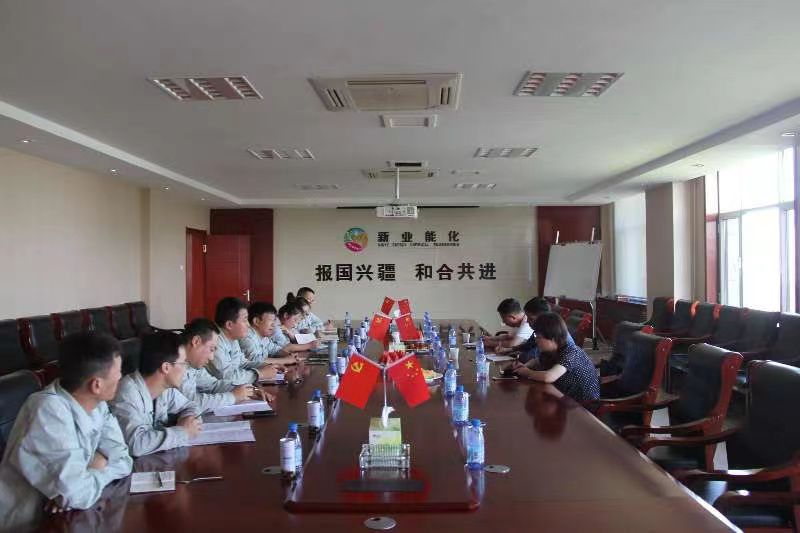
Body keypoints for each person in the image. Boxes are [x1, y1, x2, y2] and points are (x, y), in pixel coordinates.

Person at [0, 332, 132, 531]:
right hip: (28, 526)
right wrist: (93, 471)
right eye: (118, 373)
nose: (121, 377)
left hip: (67, 518)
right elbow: (79, 495)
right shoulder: (47, 410)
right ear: (96, 384)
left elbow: (124, 460)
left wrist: (95, 470)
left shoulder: (98, 404)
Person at [110, 331, 202, 457]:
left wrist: (187, 419)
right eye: (184, 363)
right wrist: (182, 432)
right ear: (166, 367)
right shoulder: (127, 392)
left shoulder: (166, 389)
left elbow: (191, 406)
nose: (186, 370)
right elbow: (136, 445)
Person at [180, 318, 269, 414]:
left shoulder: (192, 363)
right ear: (196, 341)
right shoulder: (175, 364)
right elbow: (189, 403)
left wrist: (248, 391)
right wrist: (233, 397)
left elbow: (213, 385)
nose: (211, 357)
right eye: (211, 349)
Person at [510, 312, 600, 402]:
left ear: (552, 338)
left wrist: (527, 372)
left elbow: (549, 377)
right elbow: (537, 360)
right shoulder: (550, 351)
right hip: (564, 398)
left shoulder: (571, 352)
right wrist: (524, 366)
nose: (536, 340)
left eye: (538, 337)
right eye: (535, 336)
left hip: (583, 404)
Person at [208, 297, 281, 385]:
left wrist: (266, 366)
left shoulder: (232, 337)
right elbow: (226, 376)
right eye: (245, 320)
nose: (248, 324)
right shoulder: (214, 341)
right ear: (229, 325)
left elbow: (242, 363)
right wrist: (260, 374)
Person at [497, 297, 575, 363]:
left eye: (531, 319)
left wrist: (517, 354)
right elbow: (528, 345)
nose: (527, 321)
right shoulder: (539, 330)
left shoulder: (548, 335)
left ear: (543, 318)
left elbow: (528, 357)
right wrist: (509, 350)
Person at [239, 302, 301, 366]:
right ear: (256, 321)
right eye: (271, 320)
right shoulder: (247, 337)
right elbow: (254, 360)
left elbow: (275, 350)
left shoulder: (263, 337)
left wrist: (289, 355)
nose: (274, 325)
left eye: (274, 320)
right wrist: (285, 360)